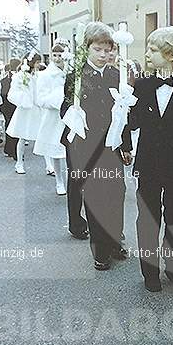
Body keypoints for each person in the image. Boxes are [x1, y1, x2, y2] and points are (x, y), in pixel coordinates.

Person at [121, 26, 173, 292]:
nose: (148, 54)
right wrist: (123, 140)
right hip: (147, 164)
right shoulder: (142, 86)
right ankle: (150, 270)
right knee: (147, 216)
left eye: (153, 50)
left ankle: (171, 258)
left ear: (170, 54)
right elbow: (129, 121)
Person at [60, 22, 128, 268]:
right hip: (86, 146)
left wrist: (126, 144)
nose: (102, 55)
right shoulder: (76, 77)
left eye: (106, 50)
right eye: (97, 49)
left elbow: (123, 115)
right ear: (86, 49)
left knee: (116, 193)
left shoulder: (114, 76)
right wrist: (73, 114)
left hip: (111, 145)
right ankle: (100, 249)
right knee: (96, 197)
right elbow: (64, 108)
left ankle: (113, 239)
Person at [34, 43, 68, 195]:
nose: (57, 58)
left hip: (70, 114)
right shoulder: (45, 75)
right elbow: (40, 99)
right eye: (54, 55)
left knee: (72, 150)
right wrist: (56, 100)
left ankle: (74, 179)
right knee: (56, 149)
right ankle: (59, 181)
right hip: (55, 116)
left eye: (60, 55)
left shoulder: (70, 72)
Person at [6, 54, 43, 174]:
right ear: (32, 63)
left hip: (36, 109)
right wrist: (24, 99)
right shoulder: (20, 76)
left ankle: (49, 165)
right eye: (37, 62)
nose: (39, 65)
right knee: (22, 137)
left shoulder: (37, 75)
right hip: (25, 109)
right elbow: (12, 93)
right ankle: (19, 163)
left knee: (42, 136)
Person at [0, 59, 21, 160]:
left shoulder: (4, 79)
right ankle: (14, 151)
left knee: (8, 127)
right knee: (15, 129)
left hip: (6, 106)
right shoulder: (17, 78)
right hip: (13, 106)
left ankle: (8, 149)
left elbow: (2, 94)